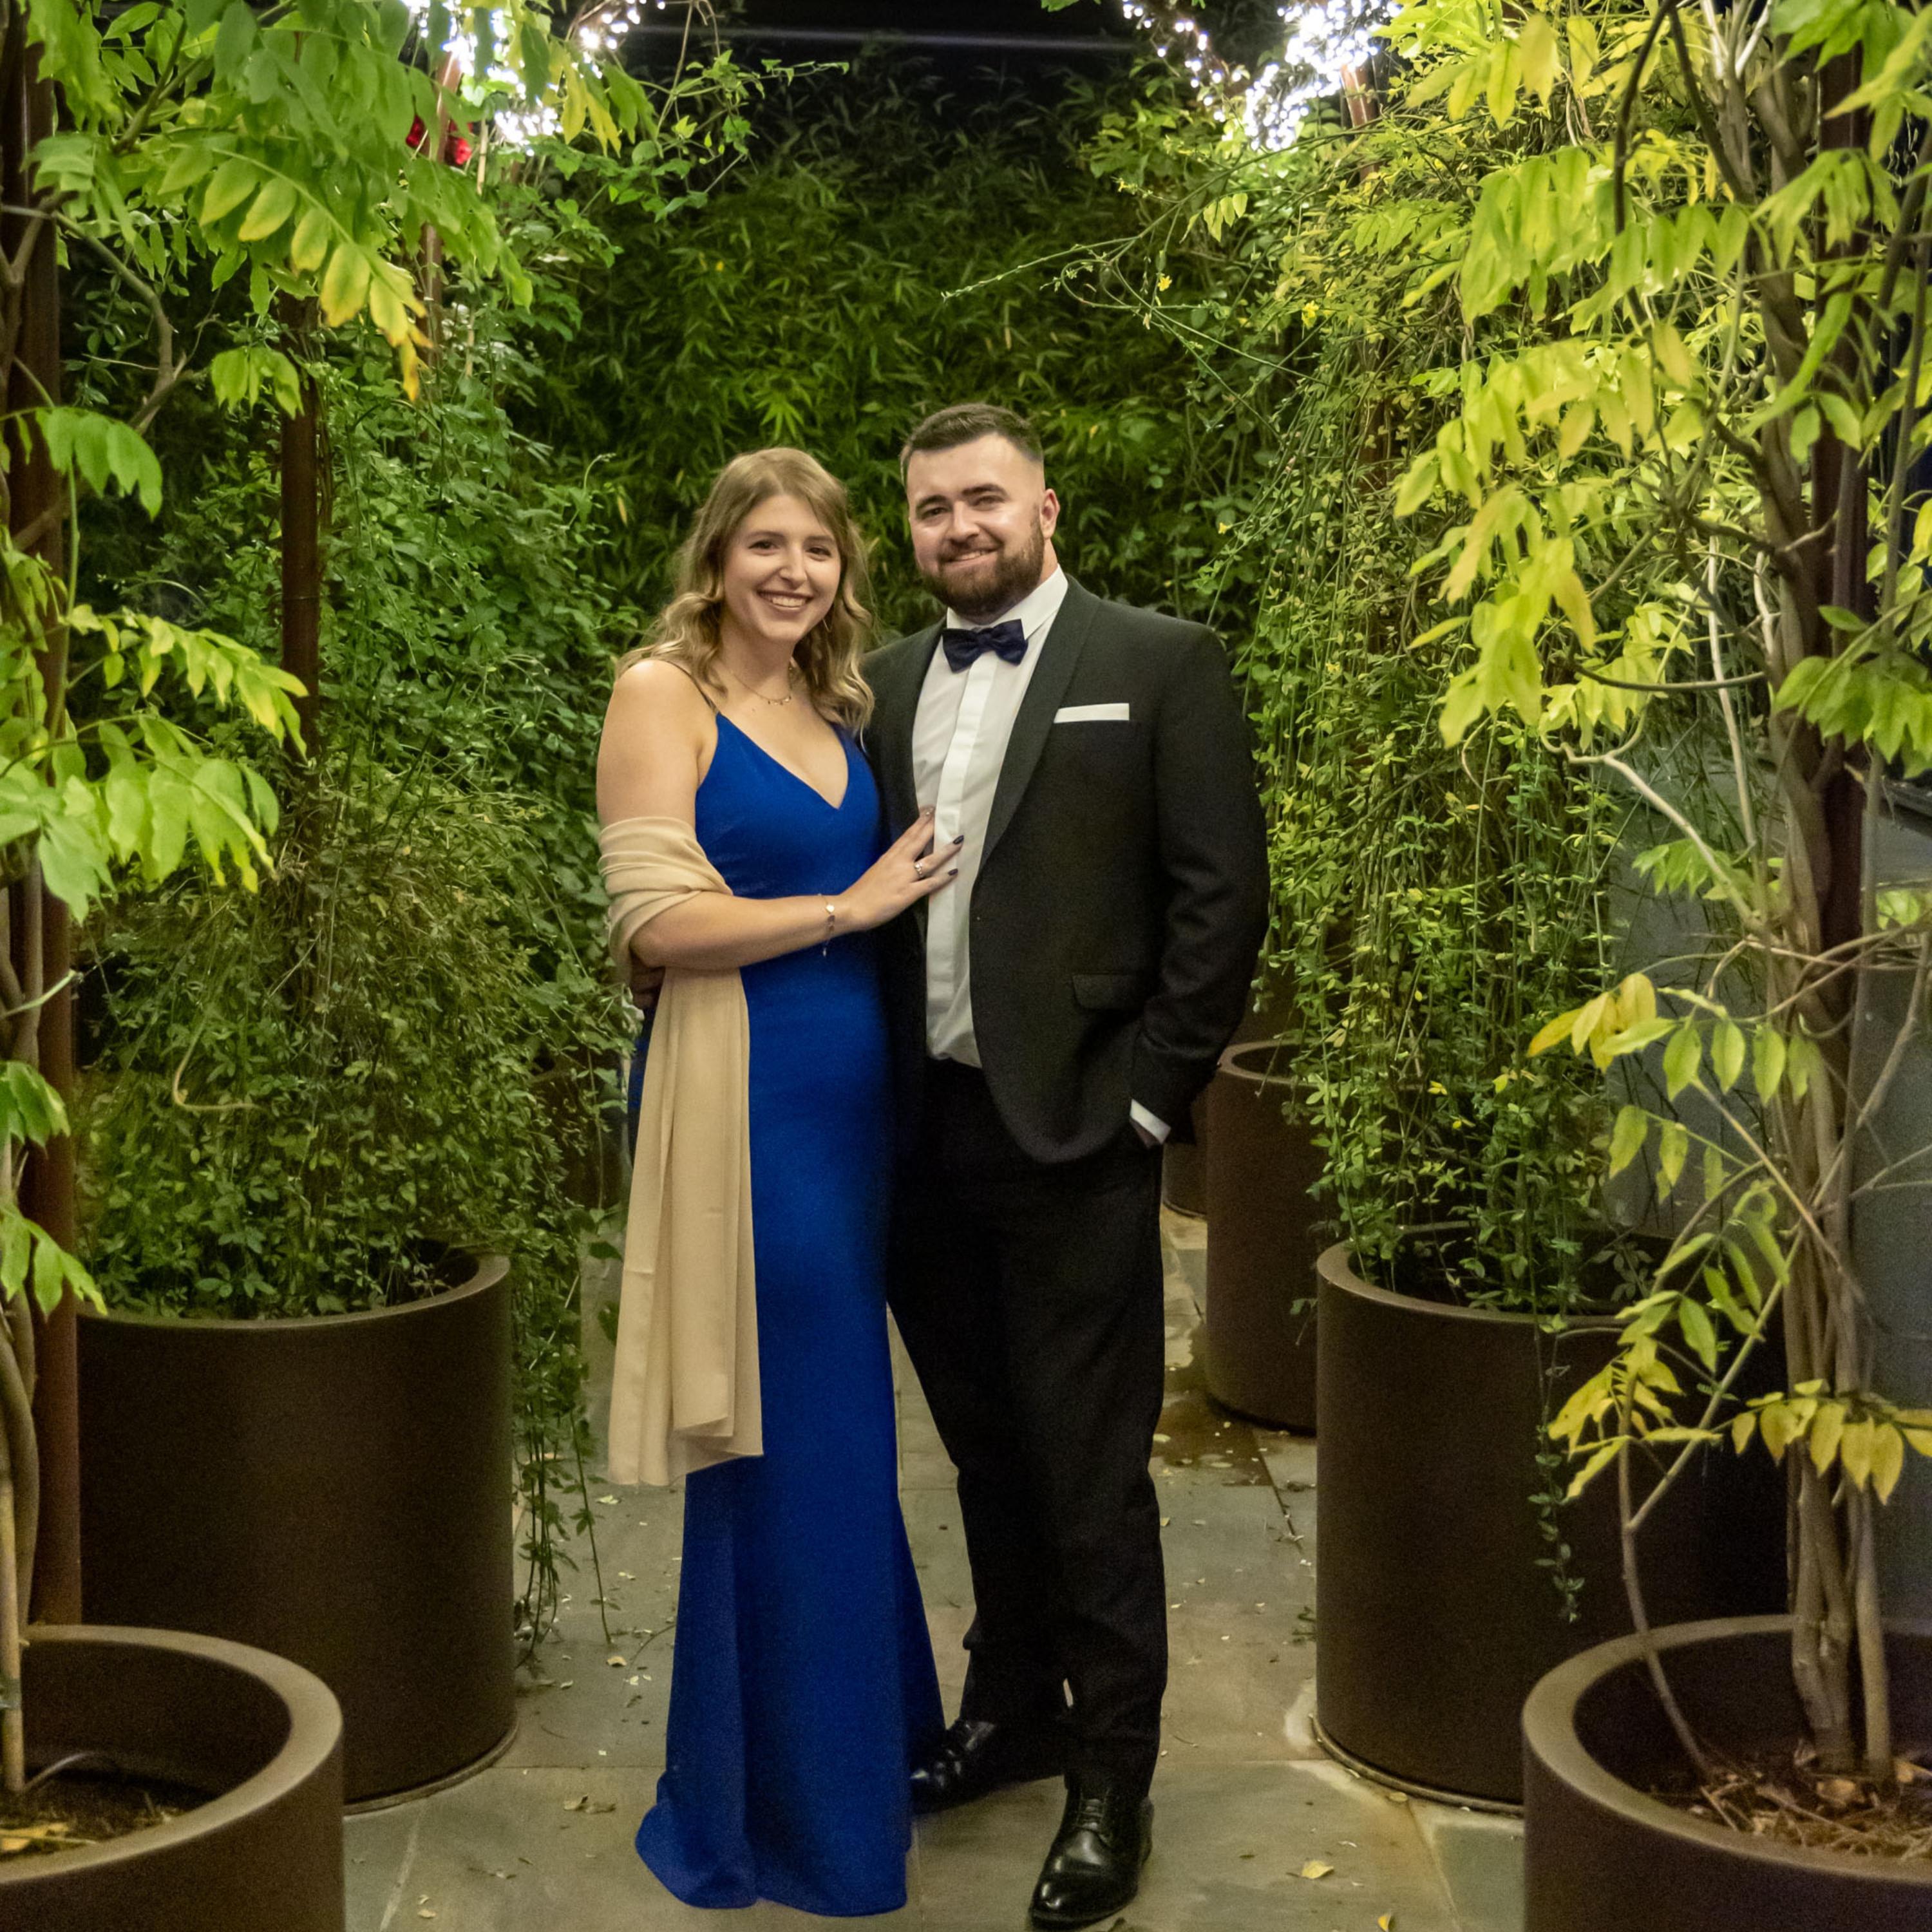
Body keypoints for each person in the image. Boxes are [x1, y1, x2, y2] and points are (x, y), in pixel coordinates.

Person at [866, 404, 1270, 1929]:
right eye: (932, 510)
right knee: (984, 1453)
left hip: (1080, 1131)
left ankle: (1113, 1782)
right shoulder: (882, 683)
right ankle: (1012, 1710)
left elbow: (1221, 897)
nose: (959, 527)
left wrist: (1152, 1104)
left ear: (1046, 506)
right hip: (920, 1135)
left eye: (984, 499)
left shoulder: (1160, 663)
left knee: (1090, 1475)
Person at [595, 448, 954, 1917]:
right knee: (784, 1432)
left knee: (839, 1425)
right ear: (717, 558)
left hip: (850, 1103)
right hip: (742, 1104)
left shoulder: (838, 704)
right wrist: (844, 908)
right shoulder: (659, 694)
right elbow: (652, 925)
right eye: (766, 546)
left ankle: (864, 1751)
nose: (794, 571)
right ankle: (787, 1813)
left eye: (818, 548)